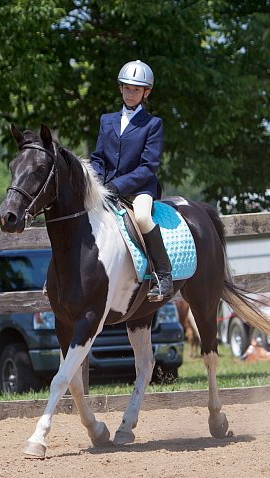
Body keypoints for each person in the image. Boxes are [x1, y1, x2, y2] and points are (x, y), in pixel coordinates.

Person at [90, 59, 173, 302]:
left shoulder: (153, 124)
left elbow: (149, 167)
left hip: (140, 189)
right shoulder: (107, 120)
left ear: (146, 92)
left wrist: (118, 186)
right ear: (120, 88)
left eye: (136, 89)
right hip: (107, 186)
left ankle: (163, 274)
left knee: (143, 217)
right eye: (127, 88)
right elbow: (98, 157)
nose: (130, 93)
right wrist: (96, 181)